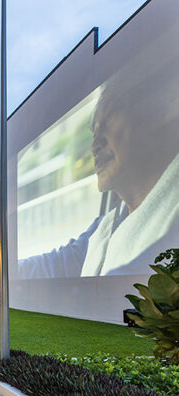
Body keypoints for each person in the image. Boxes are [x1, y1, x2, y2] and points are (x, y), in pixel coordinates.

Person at [17, 41, 179, 278]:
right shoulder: (106, 227)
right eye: (94, 131)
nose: (94, 146)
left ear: (158, 113)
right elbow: (58, 263)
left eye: (109, 120)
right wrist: (5, 271)